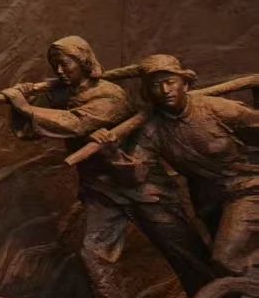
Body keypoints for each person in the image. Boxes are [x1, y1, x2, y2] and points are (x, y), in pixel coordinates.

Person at [1, 37, 212, 298]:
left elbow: (76, 123)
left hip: (141, 184)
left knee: (183, 251)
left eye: (66, 64)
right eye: (55, 65)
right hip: (102, 188)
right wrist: (21, 104)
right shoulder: (61, 96)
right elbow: (31, 131)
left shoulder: (110, 95)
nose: (60, 71)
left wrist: (26, 106)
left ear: (84, 61)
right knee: (94, 253)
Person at [98, 54, 259, 284]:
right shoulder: (151, 131)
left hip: (247, 189)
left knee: (227, 258)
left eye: (170, 82)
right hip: (209, 202)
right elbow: (137, 174)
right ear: (148, 92)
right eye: (156, 85)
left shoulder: (217, 109)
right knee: (227, 266)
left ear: (185, 83)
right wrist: (112, 152)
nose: (165, 90)